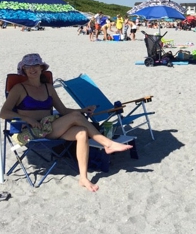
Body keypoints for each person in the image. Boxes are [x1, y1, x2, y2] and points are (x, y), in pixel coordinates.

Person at [0, 54, 132, 192]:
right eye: (28, 67)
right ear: (23, 70)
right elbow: (4, 113)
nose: (32, 69)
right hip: (31, 132)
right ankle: (107, 144)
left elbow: (62, 110)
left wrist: (82, 110)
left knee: (82, 132)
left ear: (41, 68)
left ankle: (83, 178)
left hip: (49, 128)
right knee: (76, 117)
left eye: (35, 66)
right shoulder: (19, 88)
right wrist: (28, 119)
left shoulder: (48, 87)